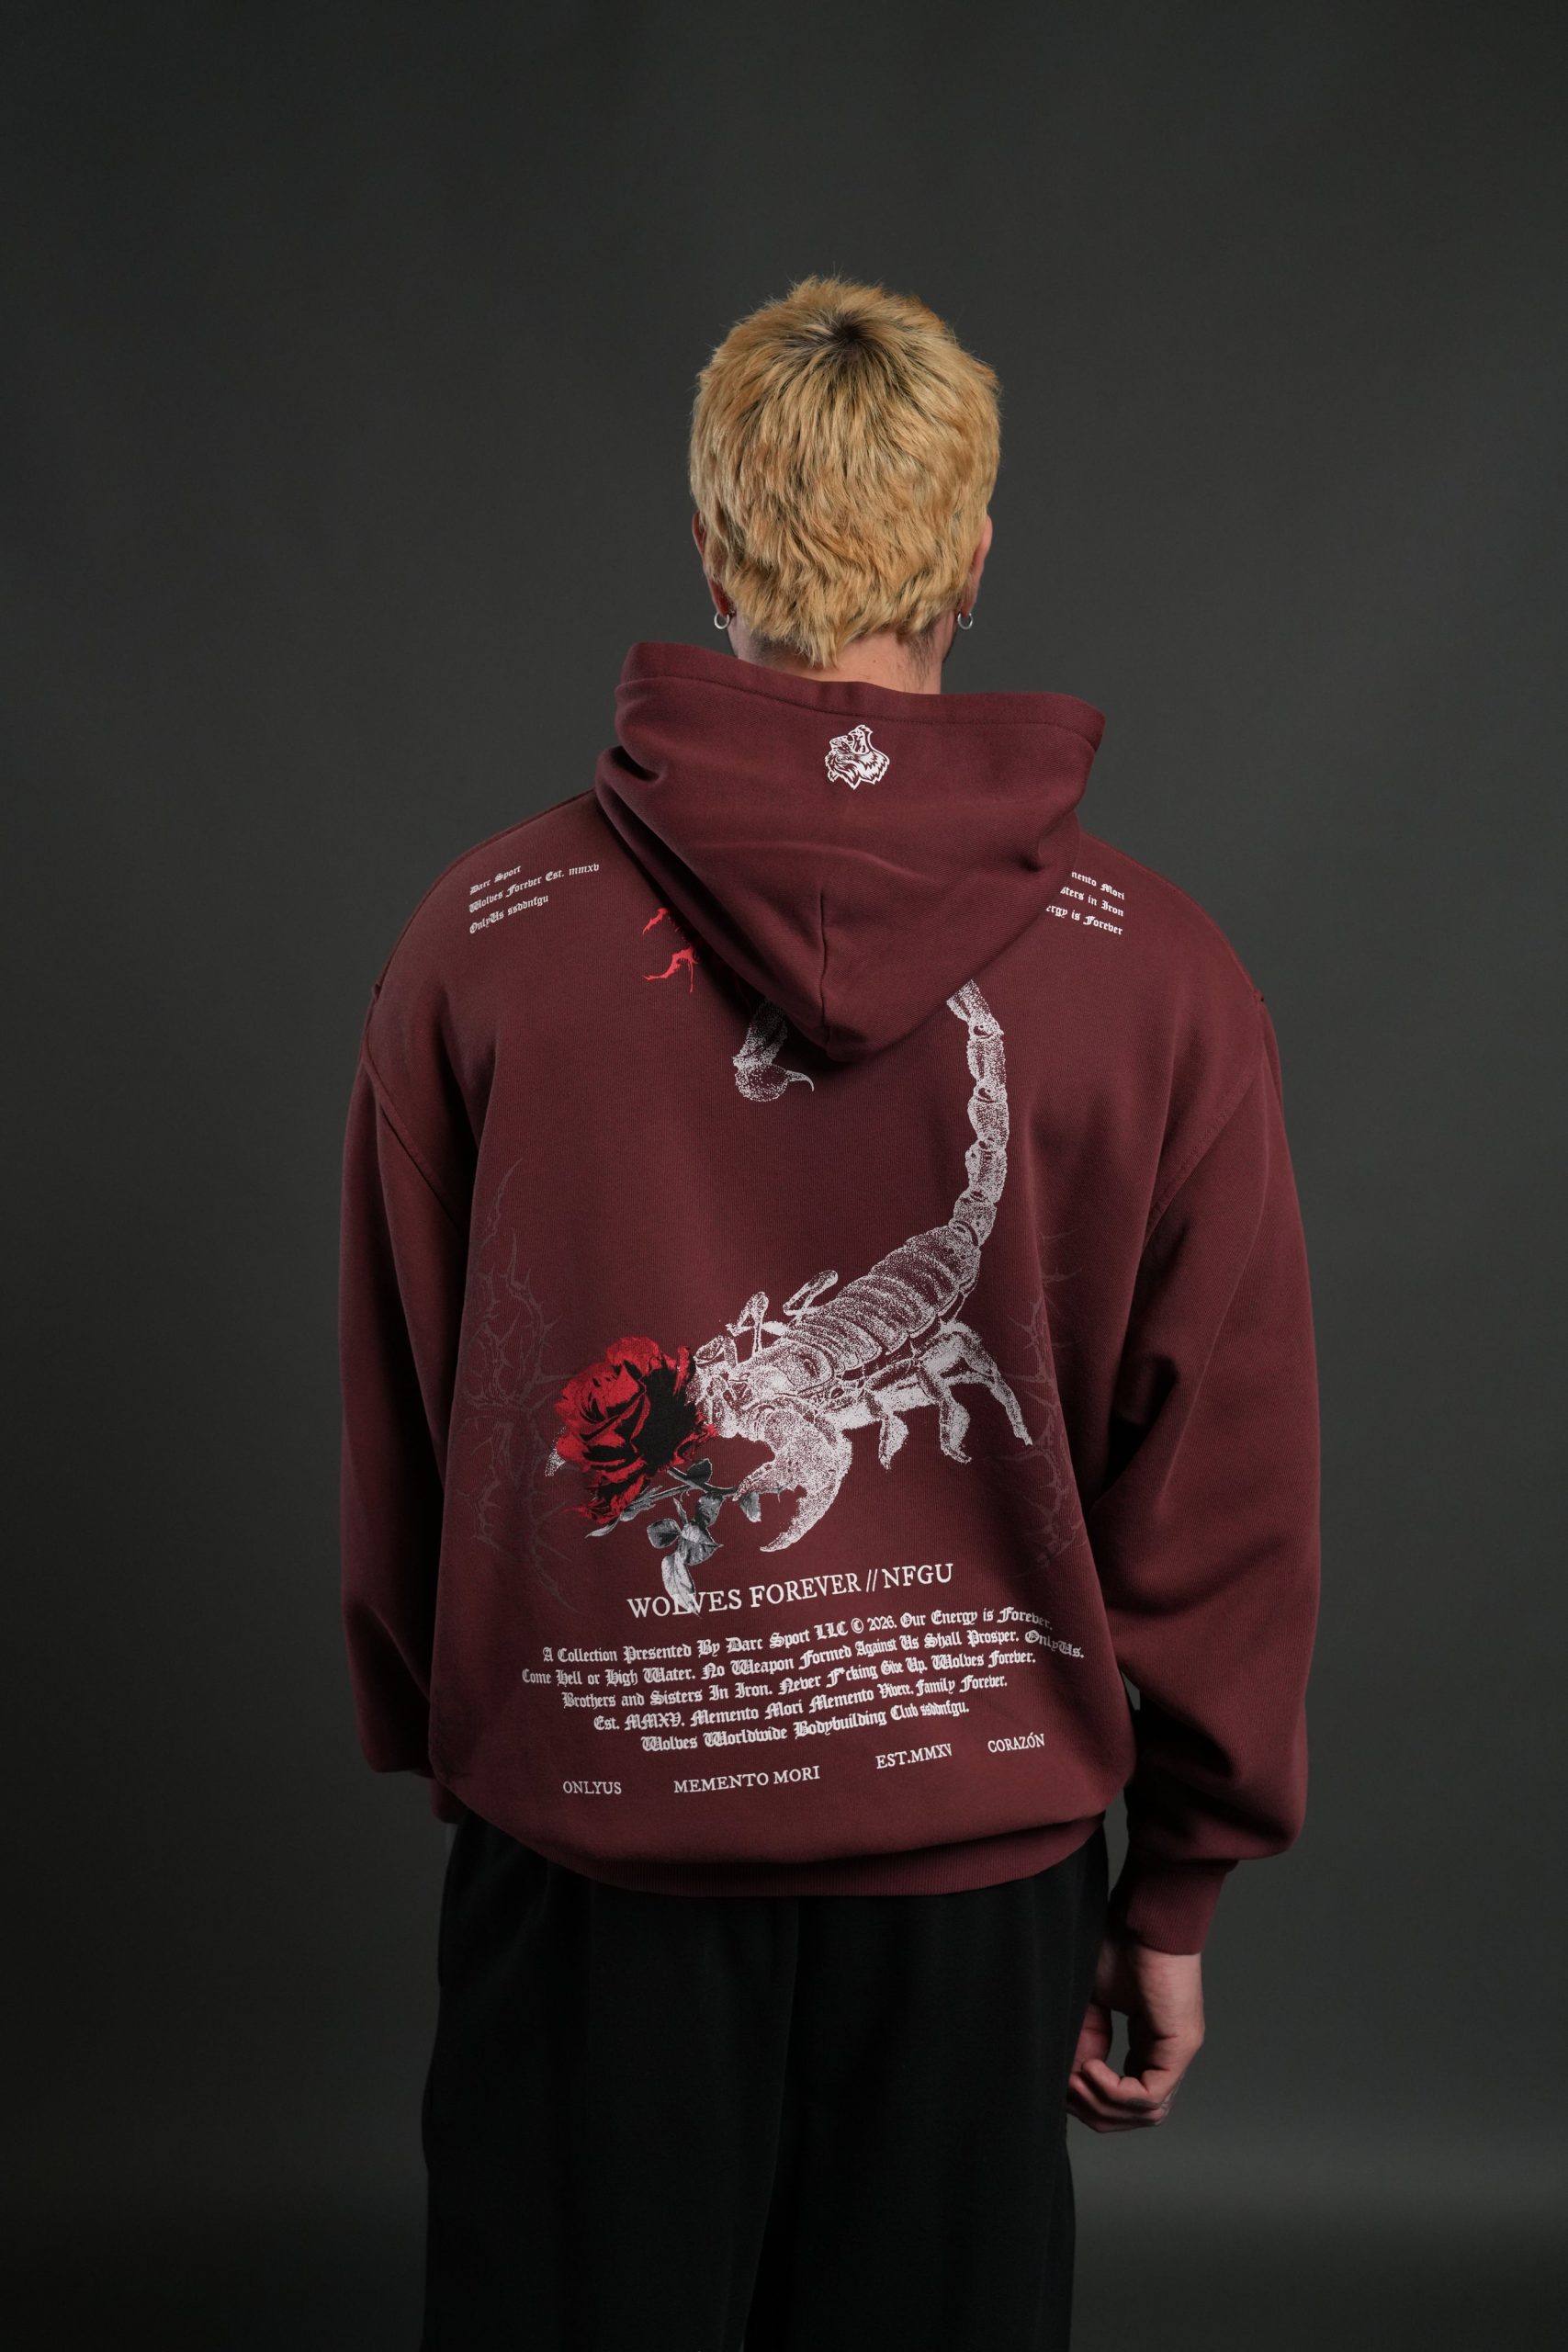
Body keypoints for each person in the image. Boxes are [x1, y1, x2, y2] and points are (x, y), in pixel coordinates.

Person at [337, 274, 1321, 2350]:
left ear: (713, 552)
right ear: (972, 553)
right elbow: (1222, 1474)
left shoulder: (482, 939)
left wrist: (502, 1734)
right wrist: (1175, 1880)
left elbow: (420, 1399)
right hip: (978, 1884)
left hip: (590, 1867)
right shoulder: (1160, 972)